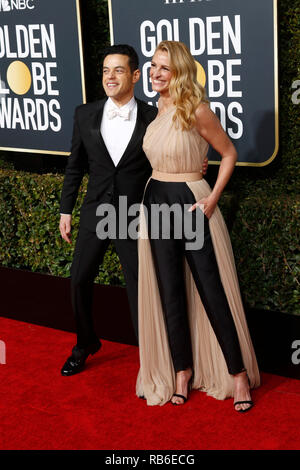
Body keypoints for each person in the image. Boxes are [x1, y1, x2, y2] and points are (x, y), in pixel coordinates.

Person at [59, 43, 209, 376]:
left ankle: (153, 357)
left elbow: (177, 146)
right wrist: (65, 209)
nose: (110, 77)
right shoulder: (84, 114)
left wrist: (197, 160)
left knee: (142, 288)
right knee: (79, 279)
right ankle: (85, 343)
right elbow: (75, 165)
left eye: (119, 70)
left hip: (135, 215)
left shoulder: (153, 115)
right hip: (97, 211)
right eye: (105, 70)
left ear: (136, 75)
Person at [136, 40, 260, 412]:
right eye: (153, 66)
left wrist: (212, 198)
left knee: (211, 290)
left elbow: (228, 153)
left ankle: (237, 375)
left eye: (164, 68)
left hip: (190, 202)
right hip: (155, 199)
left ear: (180, 73)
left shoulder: (198, 110)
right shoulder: (155, 109)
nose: (156, 73)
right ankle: (181, 373)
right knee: (169, 290)